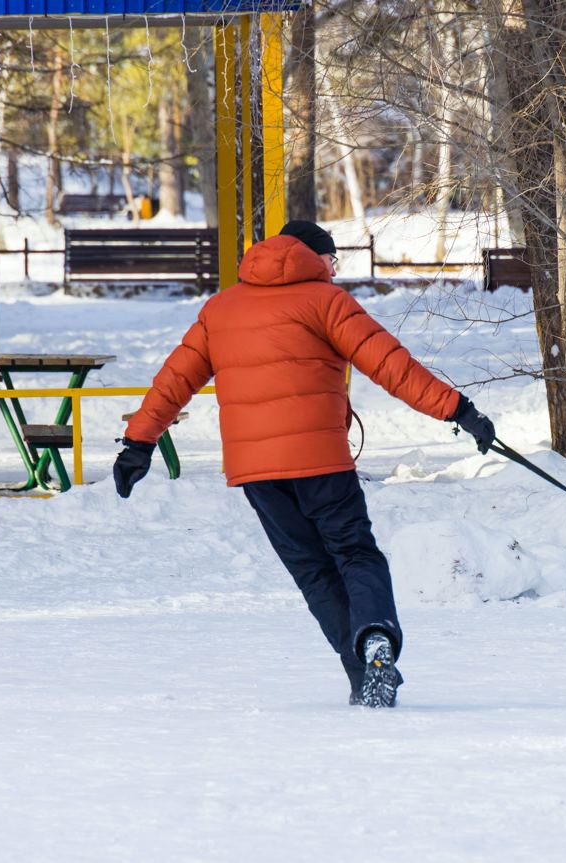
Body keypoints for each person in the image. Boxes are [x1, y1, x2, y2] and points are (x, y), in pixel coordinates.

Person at [112, 220, 495, 708]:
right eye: (332, 261)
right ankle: (376, 636)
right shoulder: (326, 302)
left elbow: (173, 381)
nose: (334, 270)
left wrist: (139, 444)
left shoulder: (220, 309)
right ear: (314, 256)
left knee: (314, 571)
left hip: (257, 473)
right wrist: (459, 410)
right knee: (355, 553)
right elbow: (392, 365)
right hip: (321, 462)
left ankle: (363, 676)